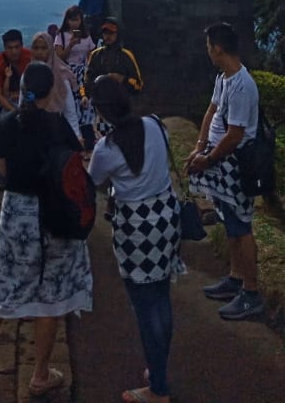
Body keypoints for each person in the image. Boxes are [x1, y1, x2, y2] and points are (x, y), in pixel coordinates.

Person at [0, 62, 92, 396]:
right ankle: (40, 374)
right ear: (51, 92)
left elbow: (3, 170)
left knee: (4, 281)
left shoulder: (5, 124)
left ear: (21, 89)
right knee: (50, 294)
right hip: (52, 211)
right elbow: (73, 164)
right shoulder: (57, 125)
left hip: (16, 211)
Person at [89, 75, 182, 403]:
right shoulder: (155, 125)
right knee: (161, 296)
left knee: (145, 307)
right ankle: (158, 369)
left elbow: (94, 182)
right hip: (167, 220)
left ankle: (158, 389)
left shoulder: (107, 148)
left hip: (135, 229)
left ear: (101, 112)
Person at [186, 22, 263, 321]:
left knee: (241, 226)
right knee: (230, 222)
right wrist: (200, 145)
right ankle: (235, 277)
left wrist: (209, 158)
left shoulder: (243, 85)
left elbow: (235, 134)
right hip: (221, 162)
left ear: (218, 49)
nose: (208, 51)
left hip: (235, 165)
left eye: (209, 46)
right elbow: (212, 110)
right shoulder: (224, 78)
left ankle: (252, 292)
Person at [54, 6, 96, 149]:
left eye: (77, 20)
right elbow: (59, 57)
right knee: (71, 104)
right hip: (67, 72)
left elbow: (91, 53)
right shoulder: (61, 36)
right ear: (67, 20)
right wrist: (70, 45)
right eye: (71, 20)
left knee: (85, 101)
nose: (74, 23)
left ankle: (86, 134)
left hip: (82, 72)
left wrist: (89, 67)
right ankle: (73, 136)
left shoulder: (86, 35)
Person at [30, 30, 81, 140]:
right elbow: (23, 103)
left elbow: (70, 113)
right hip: (32, 132)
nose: (39, 52)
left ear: (51, 50)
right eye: (36, 48)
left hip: (56, 133)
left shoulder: (60, 77)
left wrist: (77, 138)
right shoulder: (28, 75)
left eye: (44, 48)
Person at [0, 29, 32, 119]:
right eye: (10, 48)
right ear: (5, 48)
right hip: (6, 97)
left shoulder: (29, 57)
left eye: (17, 47)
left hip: (25, 95)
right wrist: (15, 112)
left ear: (22, 46)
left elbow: (35, 85)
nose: (14, 52)